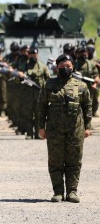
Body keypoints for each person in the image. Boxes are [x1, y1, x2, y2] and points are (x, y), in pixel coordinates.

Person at [37, 54, 91, 203]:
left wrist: (87, 126)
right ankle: (58, 192)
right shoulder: (49, 84)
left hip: (75, 129)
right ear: (57, 68)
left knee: (74, 161)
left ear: (73, 67)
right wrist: (41, 127)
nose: (66, 69)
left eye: (68, 66)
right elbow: (41, 107)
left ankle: (72, 191)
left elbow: (87, 106)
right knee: (55, 161)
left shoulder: (80, 85)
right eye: (62, 67)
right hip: (55, 130)